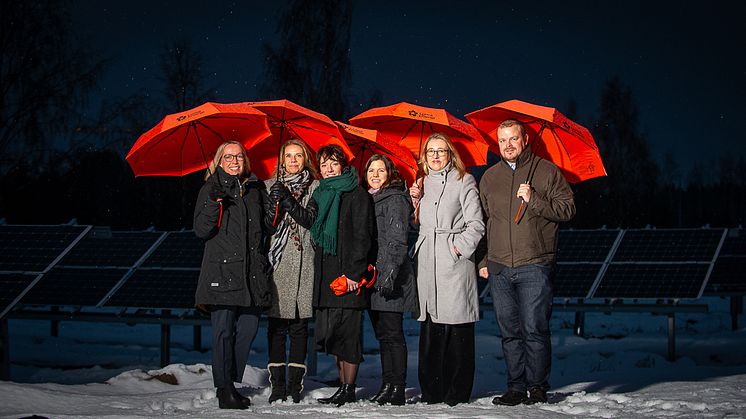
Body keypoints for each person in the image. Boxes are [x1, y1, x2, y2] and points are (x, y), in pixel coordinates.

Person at [478, 119, 575, 406]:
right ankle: (516, 387)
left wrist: (534, 199)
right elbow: (484, 222)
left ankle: (536, 387)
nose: (508, 145)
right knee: (509, 331)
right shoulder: (489, 178)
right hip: (499, 266)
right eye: (502, 140)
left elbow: (567, 209)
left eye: (513, 139)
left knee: (534, 328)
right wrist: (484, 259)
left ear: (525, 139)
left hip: (534, 263)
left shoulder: (546, 172)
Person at [193, 140, 275, 410]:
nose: (234, 161)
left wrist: (274, 203)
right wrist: (214, 203)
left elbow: (267, 226)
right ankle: (224, 388)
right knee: (223, 331)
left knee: (249, 327)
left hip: (252, 271)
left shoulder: (254, 188)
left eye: (239, 156)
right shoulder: (210, 188)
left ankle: (230, 380)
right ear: (219, 160)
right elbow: (202, 230)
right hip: (223, 270)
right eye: (228, 157)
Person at [409, 133, 485, 406]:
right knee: (431, 330)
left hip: (453, 264)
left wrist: (456, 249)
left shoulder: (464, 181)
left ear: (451, 154)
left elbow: (477, 224)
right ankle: (431, 393)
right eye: (431, 152)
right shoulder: (421, 183)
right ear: (425, 156)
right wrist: (415, 203)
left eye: (442, 151)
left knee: (457, 330)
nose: (436, 156)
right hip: (427, 264)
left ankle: (457, 393)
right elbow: (418, 224)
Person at [310, 144, 375, 407]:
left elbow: (363, 237)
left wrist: (354, 273)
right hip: (326, 275)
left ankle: (348, 387)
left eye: (333, 163)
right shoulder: (321, 194)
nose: (328, 169)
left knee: (348, 335)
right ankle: (342, 385)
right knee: (333, 335)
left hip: (348, 277)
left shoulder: (357, 194)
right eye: (324, 165)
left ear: (343, 166)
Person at [264, 138, 319, 403]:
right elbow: (267, 227)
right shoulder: (268, 186)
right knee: (276, 326)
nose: (294, 161)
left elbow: (309, 220)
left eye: (299, 156)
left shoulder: (315, 187)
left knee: (299, 327)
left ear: (305, 159)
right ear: (281, 160)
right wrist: (274, 202)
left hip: (305, 262)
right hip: (278, 264)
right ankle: (277, 386)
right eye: (289, 156)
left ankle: (295, 386)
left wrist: (287, 200)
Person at [364, 154, 416, 406]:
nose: (375, 174)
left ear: (389, 173)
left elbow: (397, 240)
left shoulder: (394, 198)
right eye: (370, 170)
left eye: (380, 170)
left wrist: (388, 274)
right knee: (383, 335)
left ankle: (397, 387)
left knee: (393, 334)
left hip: (390, 276)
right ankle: (388, 383)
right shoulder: (373, 198)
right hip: (375, 277)